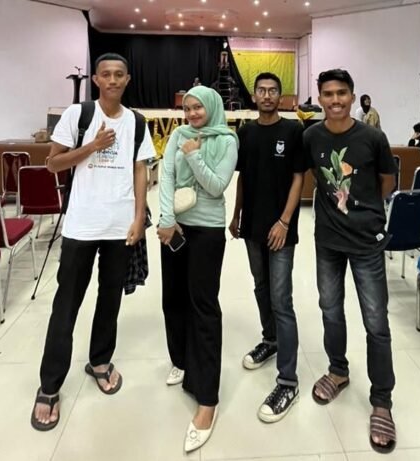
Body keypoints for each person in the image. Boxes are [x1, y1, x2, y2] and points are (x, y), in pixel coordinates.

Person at [31, 53, 155, 431]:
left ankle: (100, 361)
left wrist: (138, 217)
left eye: (119, 74)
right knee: (66, 304)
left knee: (109, 299)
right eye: (106, 74)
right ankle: (50, 384)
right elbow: (53, 164)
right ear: (96, 80)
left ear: (128, 79)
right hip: (81, 226)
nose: (113, 80)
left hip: (119, 227)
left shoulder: (136, 122)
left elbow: (140, 169)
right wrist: (92, 146)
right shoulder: (78, 115)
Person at [304, 69, 397, 454]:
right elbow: (313, 175)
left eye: (342, 93)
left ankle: (382, 401)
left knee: (375, 321)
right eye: (328, 94)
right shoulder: (311, 136)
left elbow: (387, 183)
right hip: (327, 240)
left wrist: (365, 213)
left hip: (365, 242)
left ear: (353, 96)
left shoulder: (373, 137)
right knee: (330, 309)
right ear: (320, 98)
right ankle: (338, 371)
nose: (335, 100)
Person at [157, 85, 238, 452]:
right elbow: (166, 177)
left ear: (212, 107)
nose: (191, 114)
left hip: (206, 230)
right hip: (176, 228)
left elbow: (216, 186)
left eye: (198, 108)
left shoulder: (227, 140)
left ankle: (207, 398)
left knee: (203, 306)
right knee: (173, 298)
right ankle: (181, 360)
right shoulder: (178, 134)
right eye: (187, 108)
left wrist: (193, 156)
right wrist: (166, 218)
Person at [229, 72, 305, 423]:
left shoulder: (293, 131)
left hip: (280, 229)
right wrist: (236, 214)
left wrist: (285, 222)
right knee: (261, 287)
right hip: (252, 227)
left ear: (280, 96)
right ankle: (270, 339)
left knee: (281, 298)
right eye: (262, 90)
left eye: (273, 90)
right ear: (254, 95)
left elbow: (298, 178)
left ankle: (288, 380)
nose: (267, 95)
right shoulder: (245, 133)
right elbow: (243, 177)